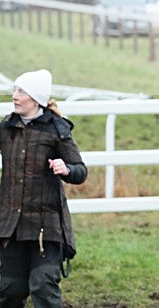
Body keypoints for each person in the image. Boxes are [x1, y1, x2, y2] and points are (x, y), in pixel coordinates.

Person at [0, 69, 88, 307]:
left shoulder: (57, 129)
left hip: (45, 228)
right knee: (10, 289)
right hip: (11, 225)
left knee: (43, 286)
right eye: (15, 90)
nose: (15, 96)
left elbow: (80, 171)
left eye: (21, 92)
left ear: (36, 98)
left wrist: (66, 168)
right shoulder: (6, 128)